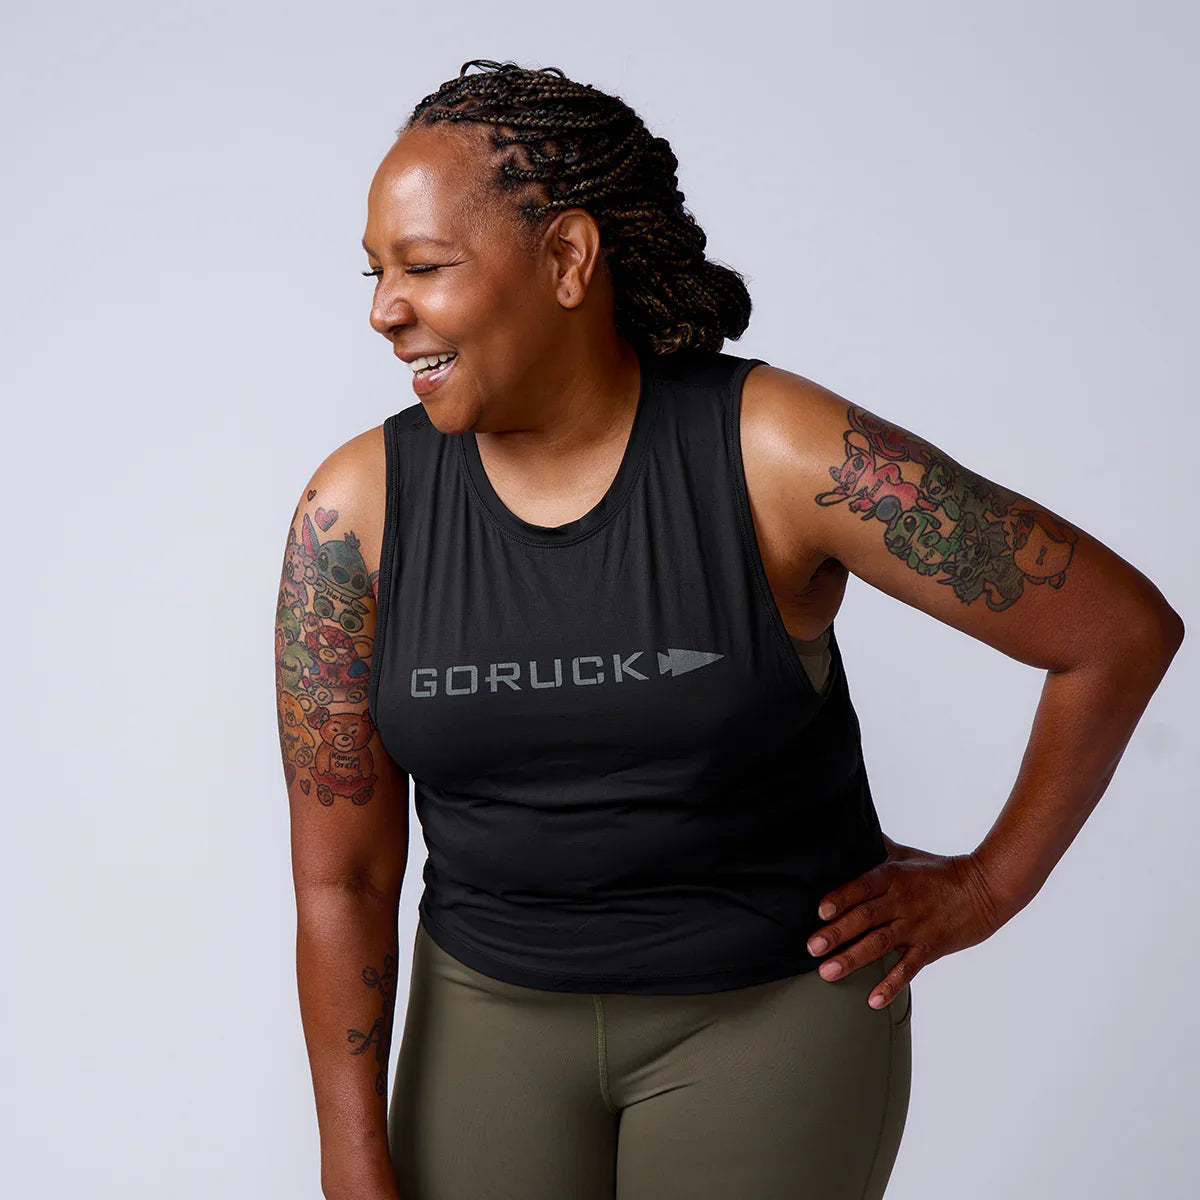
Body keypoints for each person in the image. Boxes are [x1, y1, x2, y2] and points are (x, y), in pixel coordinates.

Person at [274, 59, 1184, 1200]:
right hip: (487, 1021)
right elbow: (341, 882)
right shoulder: (352, 514)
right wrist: (351, 1160)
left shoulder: (780, 455)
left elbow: (1114, 629)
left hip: (768, 1023)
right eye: (375, 273)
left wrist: (988, 887)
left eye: (424, 267)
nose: (383, 310)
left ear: (565, 258)